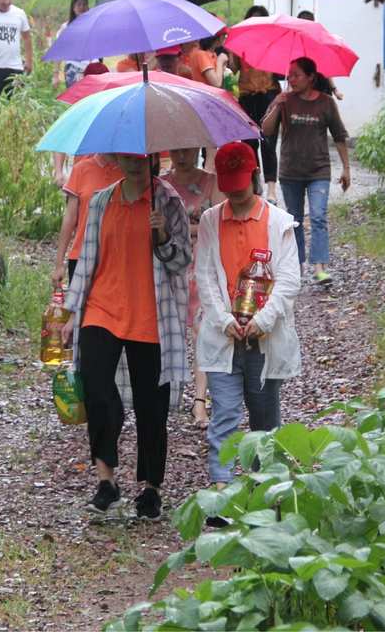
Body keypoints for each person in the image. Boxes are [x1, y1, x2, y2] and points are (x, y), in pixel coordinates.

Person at [62, 154, 192, 520]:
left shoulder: (169, 202)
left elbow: (182, 261)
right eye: (127, 157)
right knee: (97, 390)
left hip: (151, 315)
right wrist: (73, 313)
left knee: (152, 408)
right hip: (102, 309)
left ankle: (151, 488)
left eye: (140, 158)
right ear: (118, 157)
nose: (133, 164)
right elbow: (86, 258)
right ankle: (107, 481)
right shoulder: (103, 200)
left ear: (152, 159)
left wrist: (164, 235)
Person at [195, 142, 301, 490]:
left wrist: (263, 321)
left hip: (264, 338)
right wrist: (225, 320)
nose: (236, 195)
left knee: (264, 419)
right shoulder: (212, 220)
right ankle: (221, 488)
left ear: (255, 176)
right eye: (229, 187)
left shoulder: (279, 222)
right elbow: (206, 276)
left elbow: (288, 280)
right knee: (224, 414)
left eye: (241, 185)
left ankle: (264, 489)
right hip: (224, 336)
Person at [261, 57, 351, 285]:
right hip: (290, 171)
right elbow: (266, 129)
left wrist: (346, 169)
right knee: (296, 220)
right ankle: (297, 265)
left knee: (319, 217)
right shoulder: (284, 101)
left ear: (311, 77)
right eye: (289, 75)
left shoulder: (326, 103)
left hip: (318, 170)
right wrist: (277, 105)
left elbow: (339, 136)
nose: (291, 79)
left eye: (296, 75)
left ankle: (320, 267)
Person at [161, 148, 224, 428]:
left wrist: (181, 229)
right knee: (166, 330)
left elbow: (221, 224)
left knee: (202, 331)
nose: (182, 155)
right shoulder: (161, 183)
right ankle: (164, 395)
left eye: (187, 149)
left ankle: (199, 401)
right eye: (176, 150)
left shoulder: (211, 182)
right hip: (170, 263)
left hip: (202, 263)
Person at [53, 154, 123, 287]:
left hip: (117, 260)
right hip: (81, 256)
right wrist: (59, 263)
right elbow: (70, 218)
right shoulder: (81, 169)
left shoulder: (129, 172)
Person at [234, 6, 280, 201]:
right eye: (252, 20)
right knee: (249, 144)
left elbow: (279, 67)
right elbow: (235, 67)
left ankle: (271, 188)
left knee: (268, 143)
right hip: (247, 97)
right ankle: (254, 180)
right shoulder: (239, 43)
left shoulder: (273, 43)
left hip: (268, 94)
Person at [294, 11, 344, 101]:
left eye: (309, 22)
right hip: (302, 90)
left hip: (320, 87)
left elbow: (326, 69)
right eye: (303, 22)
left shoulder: (320, 42)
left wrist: (334, 90)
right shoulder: (294, 43)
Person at [53, 0, 92, 89]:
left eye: (84, 4)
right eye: (79, 4)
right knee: (77, 99)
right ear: (73, 8)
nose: (82, 7)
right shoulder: (66, 27)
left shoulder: (92, 26)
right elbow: (59, 51)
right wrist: (55, 75)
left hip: (90, 68)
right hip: (73, 68)